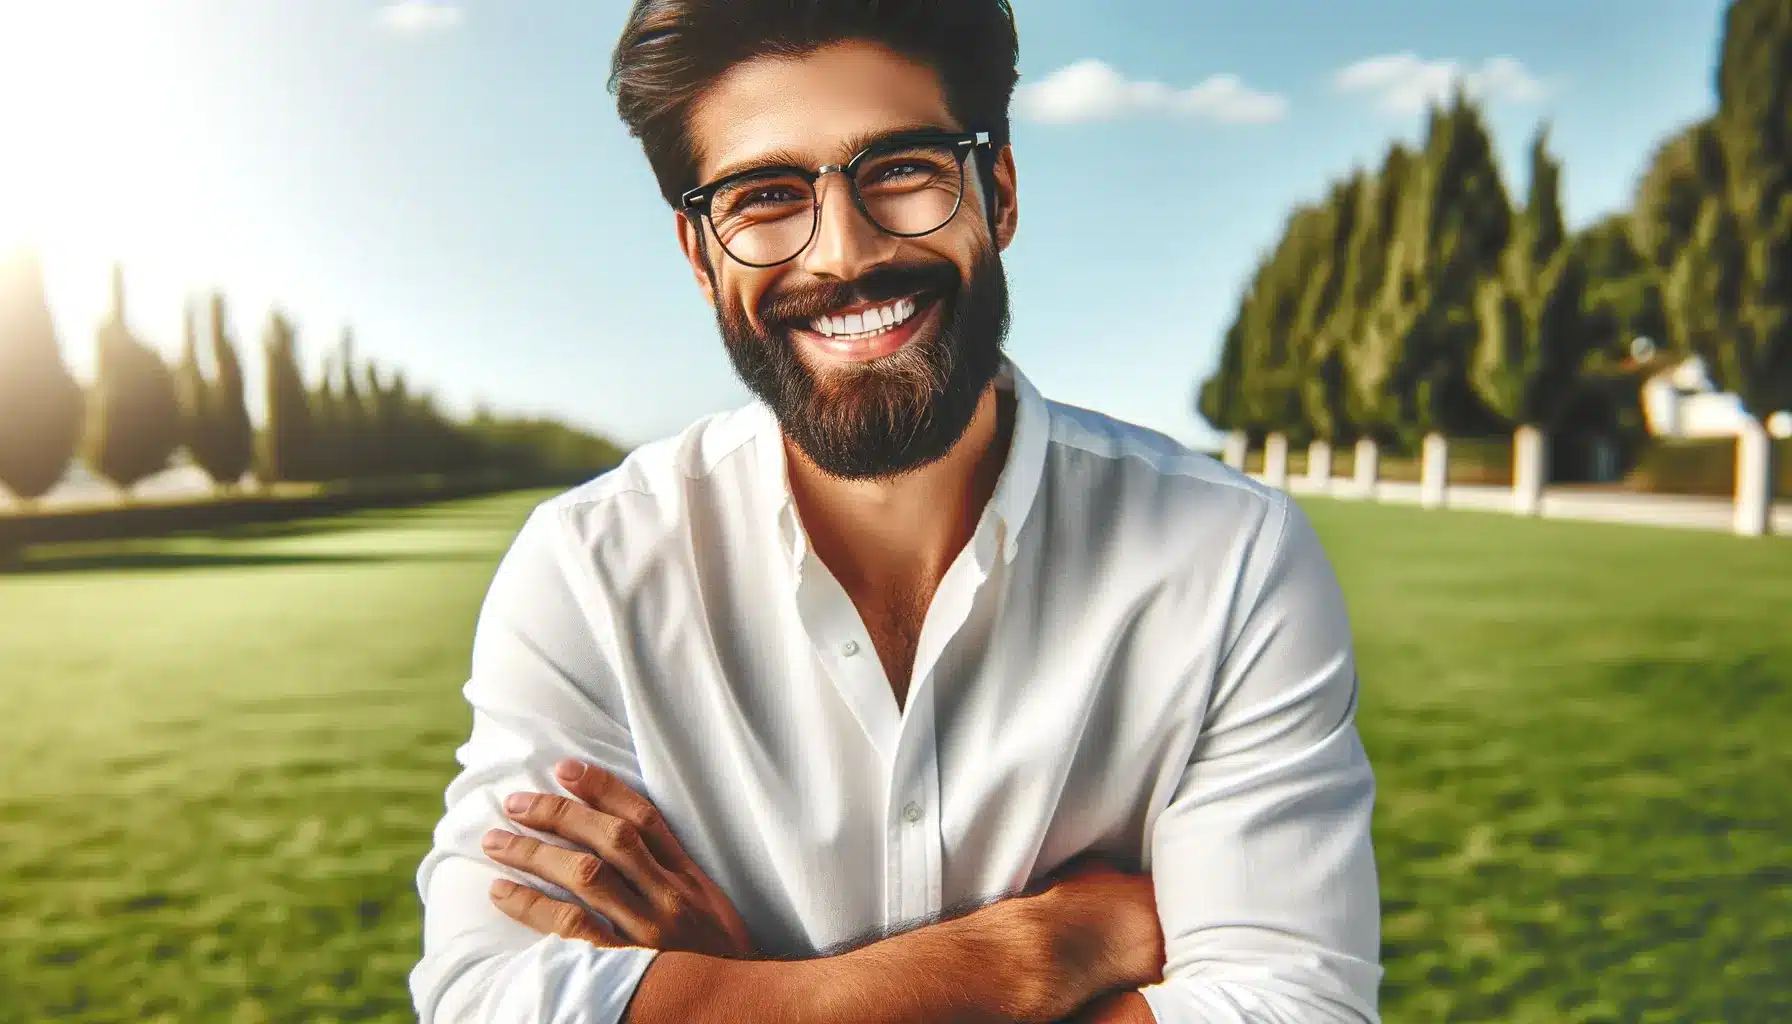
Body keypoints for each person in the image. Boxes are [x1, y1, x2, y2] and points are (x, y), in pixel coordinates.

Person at [409, 1, 1382, 1021]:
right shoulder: (589, 569)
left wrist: (741, 993)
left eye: (902, 170)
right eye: (764, 195)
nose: (842, 254)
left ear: (994, 192)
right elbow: (490, 1000)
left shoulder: (1228, 556)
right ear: (700, 255)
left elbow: (1292, 1009)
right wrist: (1040, 952)